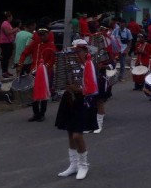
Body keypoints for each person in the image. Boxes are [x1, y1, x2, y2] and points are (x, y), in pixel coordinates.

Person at [54, 39, 98, 180]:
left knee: (77, 135)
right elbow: (62, 81)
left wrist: (78, 89)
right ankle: (73, 165)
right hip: (69, 100)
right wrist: (66, 85)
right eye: (75, 50)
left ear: (86, 51)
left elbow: (91, 88)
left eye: (79, 50)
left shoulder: (90, 65)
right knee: (69, 132)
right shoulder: (68, 64)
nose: (76, 53)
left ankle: (83, 165)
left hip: (83, 102)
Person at [17, 28, 56, 122]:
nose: (42, 37)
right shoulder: (35, 44)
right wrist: (20, 64)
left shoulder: (51, 46)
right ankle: (36, 113)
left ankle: (42, 114)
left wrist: (45, 67)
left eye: (44, 35)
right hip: (33, 72)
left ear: (48, 34)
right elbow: (24, 53)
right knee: (33, 93)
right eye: (40, 35)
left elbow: (53, 58)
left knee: (43, 93)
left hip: (45, 73)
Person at [0, 12, 20, 78]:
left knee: (8, 58)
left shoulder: (8, 24)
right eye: (11, 17)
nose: (12, 18)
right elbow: (8, 33)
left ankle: (6, 71)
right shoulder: (5, 23)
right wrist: (16, 29)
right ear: (8, 17)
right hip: (5, 43)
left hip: (9, 42)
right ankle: (4, 72)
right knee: (5, 58)